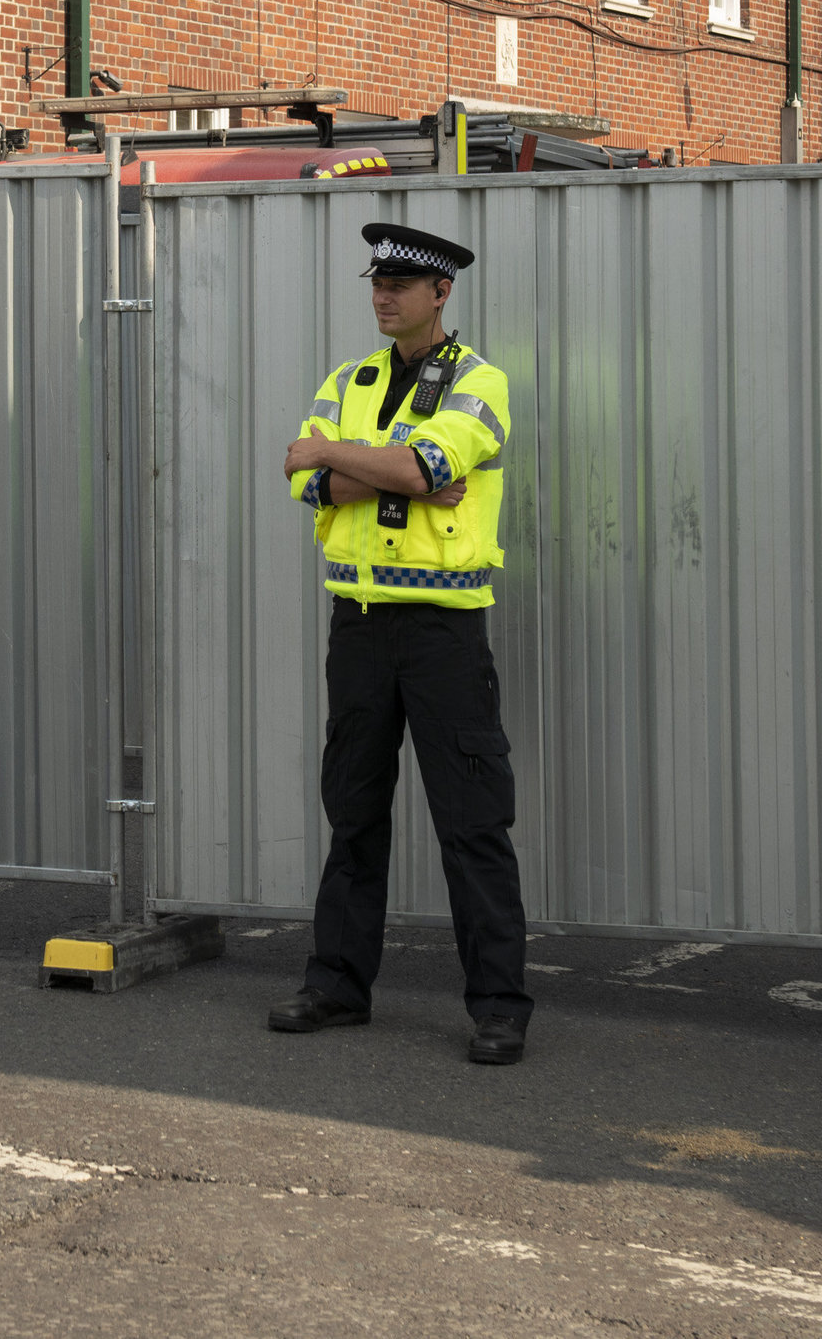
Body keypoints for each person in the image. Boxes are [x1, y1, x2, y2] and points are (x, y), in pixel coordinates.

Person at [272, 221, 531, 1064]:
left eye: (400, 285)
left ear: (440, 293)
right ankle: (336, 985)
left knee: (472, 821)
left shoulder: (479, 382)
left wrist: (354, 464)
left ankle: (498, 1006)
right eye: (375, 283)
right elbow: (304, 478)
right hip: (357, 626)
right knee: (351, 811)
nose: (382, 296)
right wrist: (376, 469)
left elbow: (422, 465)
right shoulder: (346, 379)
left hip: (443, 633)